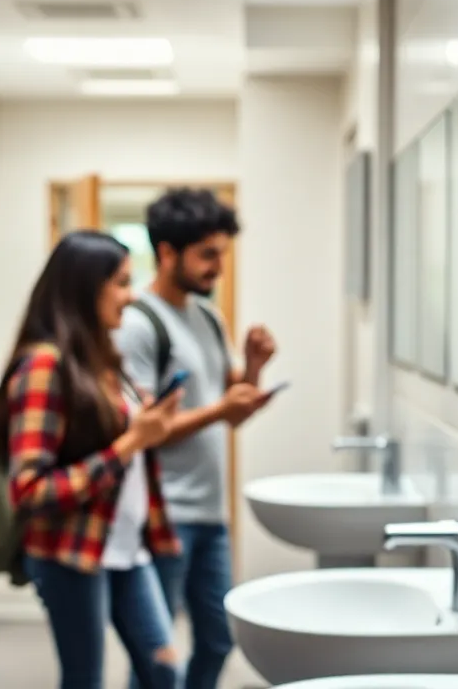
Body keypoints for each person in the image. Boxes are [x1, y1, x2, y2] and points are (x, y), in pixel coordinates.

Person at [0, 230, 184, 689]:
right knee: (85, 679)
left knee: (163, 670)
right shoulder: (44, 366)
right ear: (85, 287)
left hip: (126, 545)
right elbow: (30, 489)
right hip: (70, 552)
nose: (131, 295)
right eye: (120, 283)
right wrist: (128, 446)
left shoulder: (103, 357)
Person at [115, 188, 277, 689]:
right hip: (164, 515)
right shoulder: (137, 325)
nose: (218, 268)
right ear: (167, 253)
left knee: (216, 641)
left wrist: (252, 368)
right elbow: (139, 430)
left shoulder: (207, 315)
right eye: (208, 255)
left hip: (210, 514)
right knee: (156, 656)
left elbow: (228, 410)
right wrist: (221, 408)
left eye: (222, 254)